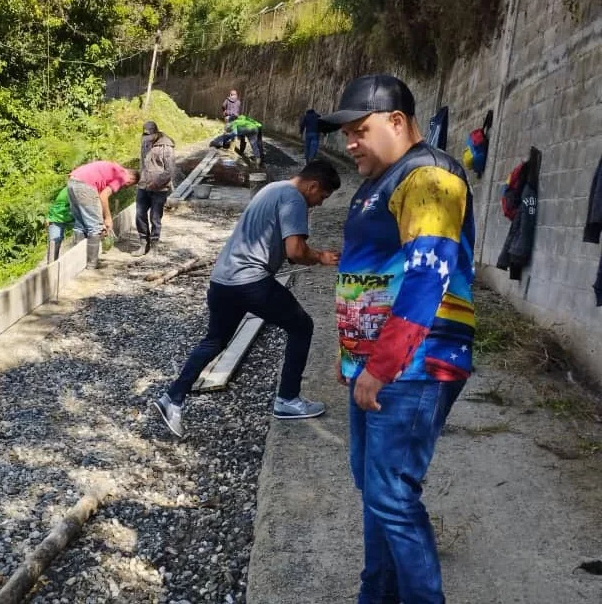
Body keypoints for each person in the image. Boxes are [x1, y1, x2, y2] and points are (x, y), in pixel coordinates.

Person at [320, 74, 475, 604]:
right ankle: (376, 596)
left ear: (397, 121)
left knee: (392, 496)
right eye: (346, 136)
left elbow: (427, 277)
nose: (350, 144)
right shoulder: (384, 180)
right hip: (378, 369)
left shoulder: (430, 177)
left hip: (410, 368)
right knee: (377, 494)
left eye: (359, 131)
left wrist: (381, 366)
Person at [154, 159, 342, 438]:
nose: (320, 204)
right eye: (322, 197)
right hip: (250, 281)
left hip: (222, 279)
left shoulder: (273, 189)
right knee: (302, 326)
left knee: (215, 341)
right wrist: (320, 257)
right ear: (313, 186)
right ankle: (288, 399)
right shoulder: (294, 199)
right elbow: (295, 251)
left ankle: (173, 398)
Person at [133, 121, 177, 258]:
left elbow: (170, 170)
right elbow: (142, 162)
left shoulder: (166, 146)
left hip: (160, 188)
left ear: (156, 132)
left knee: (155, 218)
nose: (147, 136)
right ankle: (143, 243)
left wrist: (156, 183)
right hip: (143, 185)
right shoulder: (145, 142)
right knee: (140, 214)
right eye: (145, 134)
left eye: (149, 134)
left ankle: (154, 246)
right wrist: (140, 179)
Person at [67, 160, 139, 241]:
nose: (125, 186)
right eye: (129, 185)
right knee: (95, 228)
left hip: (72, 181)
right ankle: (92, 254)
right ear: (132, 179)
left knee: (80, 225)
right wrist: (108, 218)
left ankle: (79, 252)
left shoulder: (113, 167)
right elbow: (103, 196)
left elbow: (96, 200)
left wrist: (100, 216)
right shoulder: (122, 176)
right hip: (85, 184)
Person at [46, 186, 74, 259]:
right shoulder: (70, 189)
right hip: (56, 218)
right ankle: (51, 267)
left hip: (73, 218)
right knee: (54, 243)